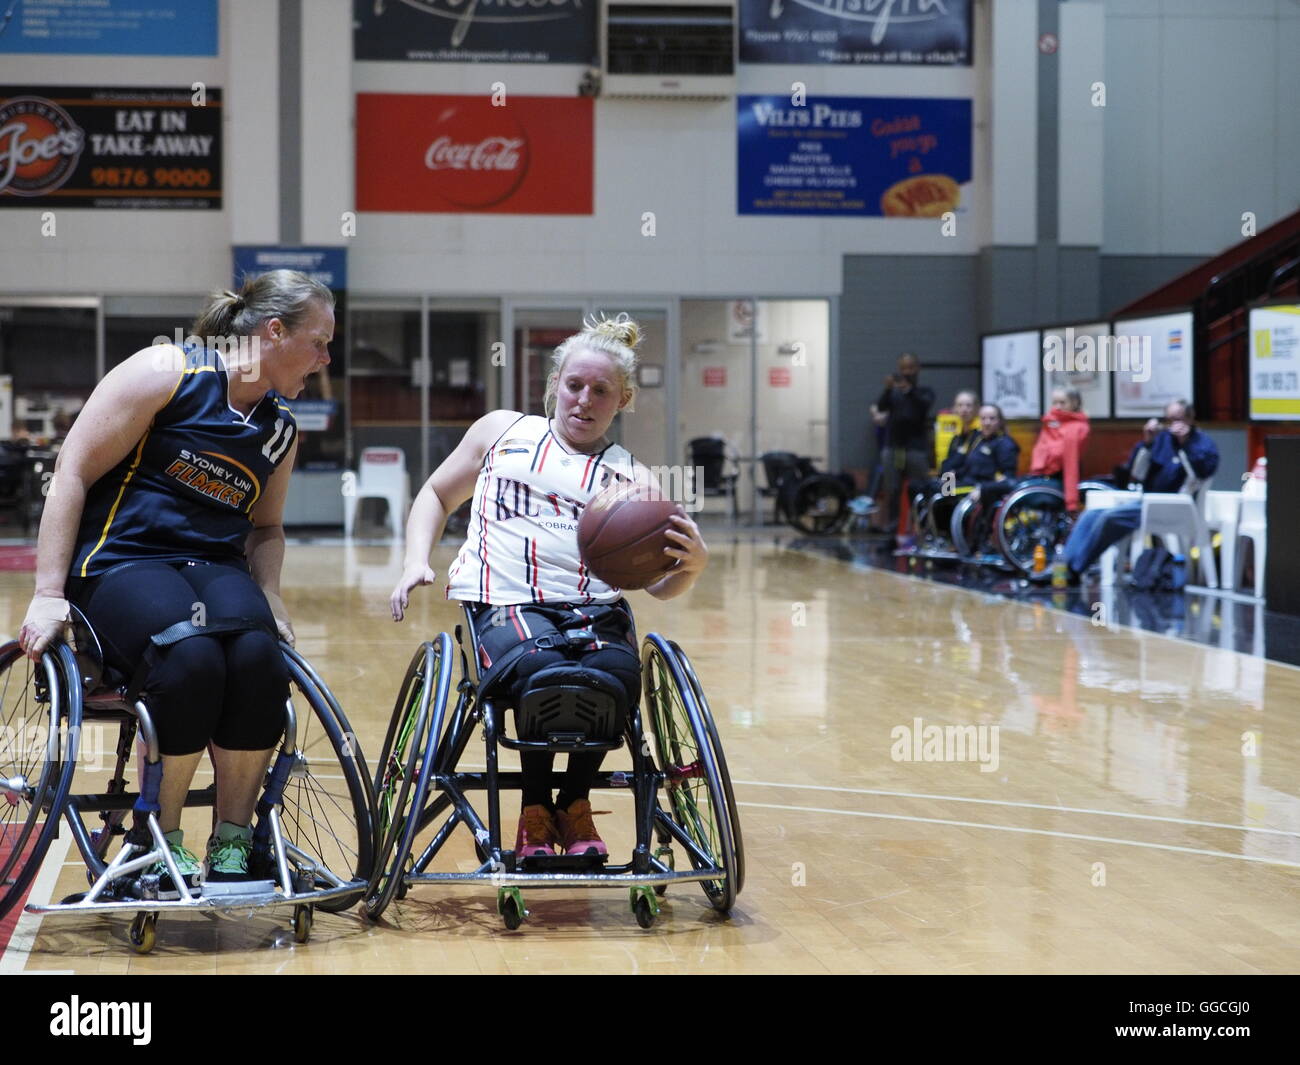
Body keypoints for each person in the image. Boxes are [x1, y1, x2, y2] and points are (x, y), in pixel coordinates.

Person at [18, 269, 334, 897]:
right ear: (274, 332)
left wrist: (270, 599)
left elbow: (265, 530)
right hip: (120, 563)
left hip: (213, 568)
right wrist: (47, 592)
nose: (326, 359)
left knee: (257, 657)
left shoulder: (279, 430)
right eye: (320, 342)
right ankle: (156, 841)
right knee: (189, 658)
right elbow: (71, 472)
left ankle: (235, 842)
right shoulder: (167, 372)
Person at [390, 314, 708, 859]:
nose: (584, 400)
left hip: (592, 607)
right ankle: (535, 809)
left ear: (623, 399)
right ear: (553, 386)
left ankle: (574, 805)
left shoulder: (634, 482)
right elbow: (437, 495)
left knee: (615, 675)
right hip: (502, 600)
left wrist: (692, 566)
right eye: (574, 385)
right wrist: (415, 561)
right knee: (546, 671)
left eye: (601, 391)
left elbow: (657, 587)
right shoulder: (501, 432)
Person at [1061, 398, 1219, 581]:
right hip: (1147, 501)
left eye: (1178, 419)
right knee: (1090, 515)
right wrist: (1147, 443)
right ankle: (1064, 564)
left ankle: (1075, 569)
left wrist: (1185, 445)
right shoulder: (1162, 440)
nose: (1173, 425)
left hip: (1177, 507)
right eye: (1168, 420)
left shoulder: (1202, 444)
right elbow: (1136, 473)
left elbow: (1201, 474)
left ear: (1190, 419)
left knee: (1109, 518)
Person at [874, 353, 935, 533]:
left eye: (910, 368)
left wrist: (909, 390)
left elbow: (923, 408)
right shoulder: (893, 393)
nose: (906, 372)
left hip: (916, 448)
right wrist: (887, 389)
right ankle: (892, 530)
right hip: (893, 447)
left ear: (917, 369)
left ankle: (923, 529)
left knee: (920, 489)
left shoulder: (924, 392)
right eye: (903, 368)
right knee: (892, 490)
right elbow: (880, 407)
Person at [1030, 387, 1091, 510]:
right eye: (1054, 403)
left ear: (1075, 403)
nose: (1057, 407)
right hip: (1043, 474)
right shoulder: (1050, 422)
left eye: (1062, 403)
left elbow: (1071, 463)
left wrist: (1071, 502)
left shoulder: (1077, 428)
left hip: (1062, 476)